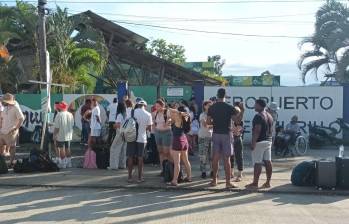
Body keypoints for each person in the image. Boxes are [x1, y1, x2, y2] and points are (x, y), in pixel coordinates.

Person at [207, 88, 240, 189]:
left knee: (215, 159)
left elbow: (208, 122)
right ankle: (228, 182)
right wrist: (240, 111)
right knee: (227, 159)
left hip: (216, 133)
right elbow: (236, 121)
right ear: (225, 96)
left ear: (217, 95)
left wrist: (216, 122)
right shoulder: (229, 107)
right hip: (226, 134)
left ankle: (214, 180)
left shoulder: (212, 107)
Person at [246, 99, 273, 189]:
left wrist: (253, 142)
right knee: (268, 161)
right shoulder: (269, 116)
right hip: (268, 140)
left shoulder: (258, 116)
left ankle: (255, 183)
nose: (254, 106)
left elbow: (257, 130)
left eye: (255, 104)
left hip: (260, 142)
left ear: (260, 105)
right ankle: (268, 182)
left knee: (257, 163)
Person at [127, 100, 152, 183]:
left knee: (130, 157)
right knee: (140, 158)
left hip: (131, 137)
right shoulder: (148, 114)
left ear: (137, 105)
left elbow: (127, 123)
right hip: (142, 138)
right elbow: (150, 129)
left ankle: (130, 177)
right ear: (144, 105)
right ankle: (140, 178)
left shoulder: (131, 112)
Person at [168, 106, 192, 186]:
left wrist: (170, 108)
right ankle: (189, 177)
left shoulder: (179, 117)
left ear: (179, 113)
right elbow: (170, 121)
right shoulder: (186, 118)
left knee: (177, 162)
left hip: (177, 140)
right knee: (186, 160)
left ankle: (174, 180)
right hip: (184, 139)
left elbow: (172, 111)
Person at [0, 93, 24, 166]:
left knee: (12, 147)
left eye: (4, 100)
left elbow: (22, 118)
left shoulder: (15, 108)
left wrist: (16, 128)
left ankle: (11, 162)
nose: (2, 102)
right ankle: (2, 162)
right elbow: (2, 118)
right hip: (2, 131)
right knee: (1, 145)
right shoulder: (5, 108)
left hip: (11, 132)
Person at [53, 102, 74, 169]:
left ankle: (63, 163)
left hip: (61, 134)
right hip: (68, 134)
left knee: (62, 148)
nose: (58, 107)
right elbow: (73, 124)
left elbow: (57, 127)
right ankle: (69, 163)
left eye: (59, 106)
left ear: (61, 107)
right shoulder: (70, 114)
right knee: (68, 148)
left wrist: (54, 134)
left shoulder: (59, 115)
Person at [108, 102, 127, 170]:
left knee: (113, 148)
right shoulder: (126, 114)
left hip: (119, 132)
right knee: (123, 149)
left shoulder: (119, 115)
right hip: (125, 133)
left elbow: (118, 125)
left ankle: (113, 166)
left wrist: (114, 125)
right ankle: (122, 164)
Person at [198, 100, 213, 179]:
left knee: (212, 156)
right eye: (209, 105)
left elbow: (209, 125)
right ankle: (203, 172)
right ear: (204, 106)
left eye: (211, 105)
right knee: (203, 156)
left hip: (212, 137)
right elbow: (205, 125)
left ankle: (212, 171)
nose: (210, 107)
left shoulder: (214, 115)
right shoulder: (202, 115)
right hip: (203, 137)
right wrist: (215, 124)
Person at [231, 102, 245, 182]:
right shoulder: (230, 120)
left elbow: (237, 131)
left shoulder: (240, 121)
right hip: (231, 139)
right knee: (231, 156)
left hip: (237, 139)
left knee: (239, 157)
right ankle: (231, 172)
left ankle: (240, 174)